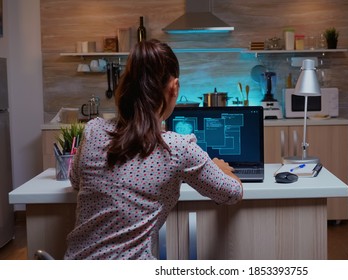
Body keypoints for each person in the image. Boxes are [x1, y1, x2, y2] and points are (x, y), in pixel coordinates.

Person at [64, 39, 243, 260]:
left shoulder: (93, 131)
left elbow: (75, 181)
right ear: (173, 87)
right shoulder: (177, 148)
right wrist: (220, 169)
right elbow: (232, 193)